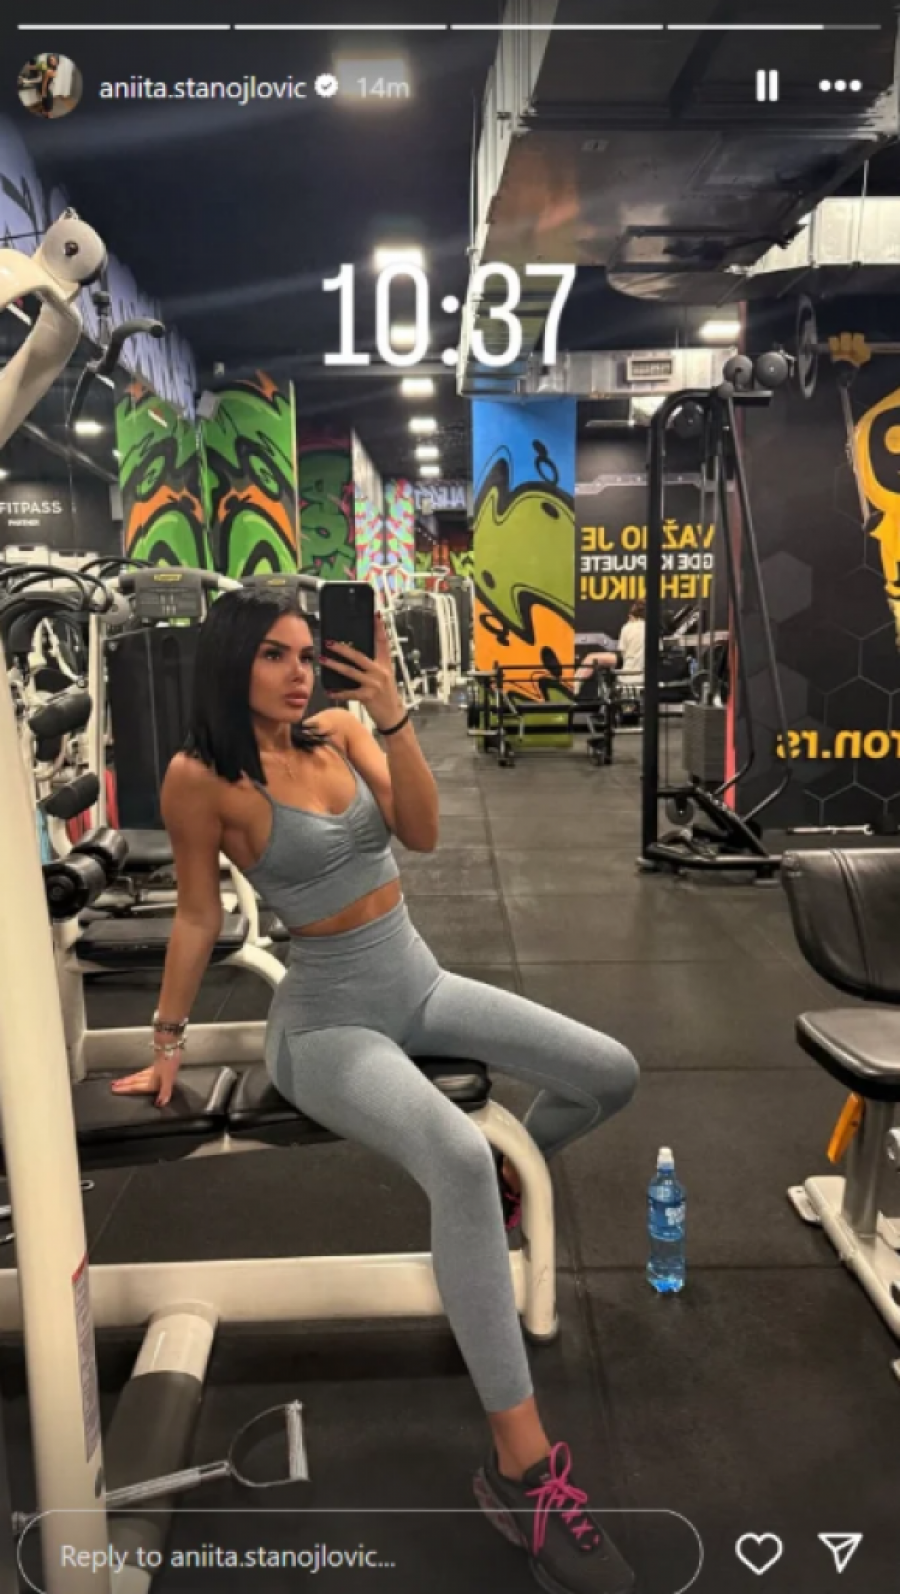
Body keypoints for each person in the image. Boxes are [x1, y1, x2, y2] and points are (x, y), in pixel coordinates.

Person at [111, 588, 639, 1594]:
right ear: (231, 663)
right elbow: (195, 915)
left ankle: (511, 1179)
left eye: (308, 655)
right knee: (455, 1158)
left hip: (419, 980)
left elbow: (423, 834)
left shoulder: (344, 730)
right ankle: (523, 1470)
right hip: (327, 1024)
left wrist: (392, 719)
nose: (300, 673)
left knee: (610, 1070)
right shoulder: (200, 777)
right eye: (275, 655)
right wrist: (166, 1040)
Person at [617, 599, 646, 679]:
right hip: (644, 677)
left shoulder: (626, 628)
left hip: (627, 675)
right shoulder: (649, 628)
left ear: (631, 615)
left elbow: (622, 652)